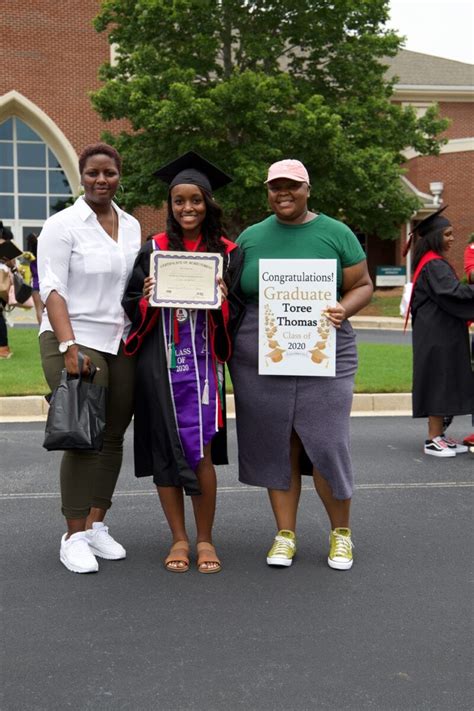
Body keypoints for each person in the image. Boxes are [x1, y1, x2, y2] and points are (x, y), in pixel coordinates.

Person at [228, 159, 373, 571]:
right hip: (262, 355)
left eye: (291, 186)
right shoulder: (251, 238)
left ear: (308, 189)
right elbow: (235, 295)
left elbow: (362, 284)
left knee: (327, 443)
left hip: (325, 349)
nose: (283, 193)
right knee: (277, 443)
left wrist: (344, 309)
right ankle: (285, 534)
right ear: (267, 191)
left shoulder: (336, 233)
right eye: (275, 187)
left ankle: (341, 535)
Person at [122, 151, 244, 574]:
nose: (187, 208)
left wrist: (225, 303)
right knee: (164, 448)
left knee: (201, 449)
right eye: (179, 201)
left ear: (208, 202)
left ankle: (205, 538)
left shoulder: (228, 252)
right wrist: (148, 295)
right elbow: (131, 304)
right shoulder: (154, 248)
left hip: (205, 365)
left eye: (195, 199)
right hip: (161, 363)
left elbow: (240, 312)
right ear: (170, 205)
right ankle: (178, 537)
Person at [38, 142, 141, 573]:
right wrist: (68, 346)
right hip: (75, 338)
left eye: (110, 173)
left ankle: (97, 524)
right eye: (94, 173)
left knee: (114, 435)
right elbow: (52, 288)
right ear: (81, 176)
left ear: (120, 176)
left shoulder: (133, 225)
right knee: (84, 436)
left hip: (121, 340)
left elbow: (134, 284)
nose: (102, 180)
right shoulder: (62, 225)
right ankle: (73, 535)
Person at [407, 207, 474, 457]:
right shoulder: (434, 264)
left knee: (444, 381)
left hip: (440, 333)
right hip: (437, 336)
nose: (452, 238)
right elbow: (453, 294)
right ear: (435, 236)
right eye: (447, 234)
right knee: (439, 381)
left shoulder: (433, 262)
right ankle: (433, 439)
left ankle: (439, 436)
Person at [0, 222, 15, 359]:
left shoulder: (4, 244)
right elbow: (12, 264)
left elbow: (12, 263)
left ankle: (3, 349)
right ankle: (3, 348)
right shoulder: (6, 245)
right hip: (3, 284)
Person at [25, 232, 43, 324]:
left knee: (39, 310)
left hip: (35, 285)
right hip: (45, 283)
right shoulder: (43, 253)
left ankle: (42, 329)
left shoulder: (29, 257)